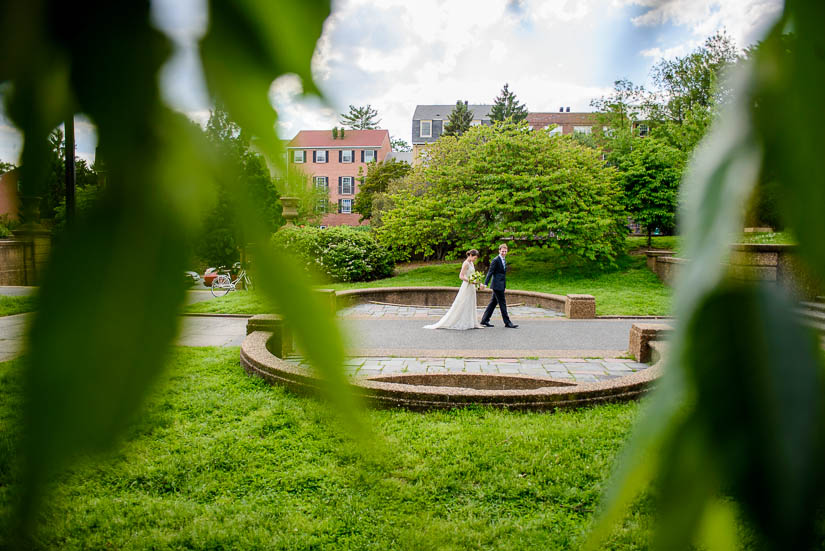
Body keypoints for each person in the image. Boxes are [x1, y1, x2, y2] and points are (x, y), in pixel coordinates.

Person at [424, 249, 484, 330]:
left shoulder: (471, 263)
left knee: (471, 303)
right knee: (463, 303)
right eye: (474, 258)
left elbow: (473, 275)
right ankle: (461, 321)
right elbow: (461, 276)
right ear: (470, 255)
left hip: (471, 287)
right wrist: (470, 281)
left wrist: (478, 282)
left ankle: (472, 322)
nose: (475, 260)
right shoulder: (466, 263)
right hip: (466, 286)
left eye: (476, 258)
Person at [480, 243, 518, 329]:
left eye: (505, 251)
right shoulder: (496, 260)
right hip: (497, 285)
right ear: (499, 251)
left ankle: (484, 320)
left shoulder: (504, 260)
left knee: (493, 303)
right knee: (502, 303)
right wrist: (486, 283)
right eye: (502, 251)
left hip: (501, 284)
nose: (504, 253)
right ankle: (507, 322)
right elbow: (490, 272)